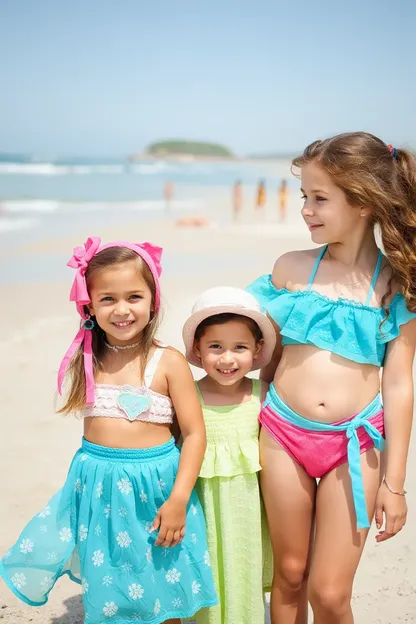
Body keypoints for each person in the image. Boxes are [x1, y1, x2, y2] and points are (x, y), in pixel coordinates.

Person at [0, 237, 218, 624]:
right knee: (111, 579)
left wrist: (180, 498)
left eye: (134, 296)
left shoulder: (167, 362)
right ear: (89, 306)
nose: (122, 310)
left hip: (156, 486)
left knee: (160, 578)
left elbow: (195, 433)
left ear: (153, 300)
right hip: (98, 483)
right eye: (107, 299)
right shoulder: (88, 359)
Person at [247, 133, 416, 623]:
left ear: (363, 201)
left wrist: (396, 484)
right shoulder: (291, 269)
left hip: (353, 444)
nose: (306, 209)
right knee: (291, 573)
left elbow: (400, 384)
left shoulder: (396, 284)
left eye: (320, 198)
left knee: (329, 594)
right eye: (305, 196)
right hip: (281, 433)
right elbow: (262, 355)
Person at [182, 287, 275, 624]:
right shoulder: (187, 396)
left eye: (240, 347)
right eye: (215, 347)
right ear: (197, 349)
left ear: (257, 349)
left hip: (248, 509)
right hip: (202, 507)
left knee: (242, 571)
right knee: (205, 572)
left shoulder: (262, 395)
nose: (227, 359)